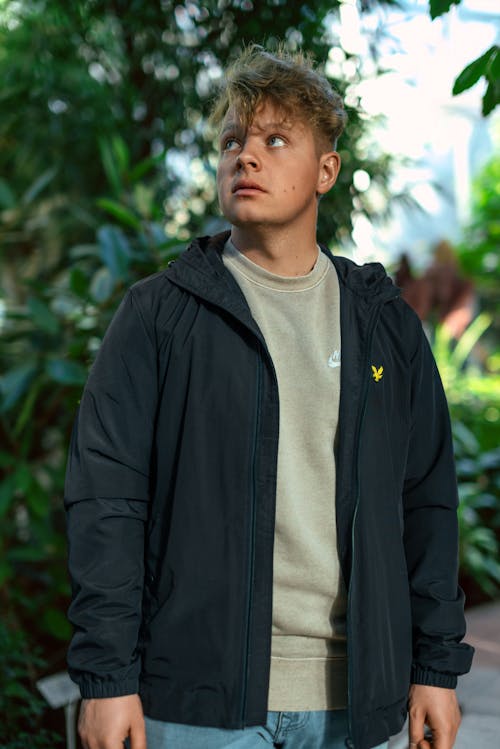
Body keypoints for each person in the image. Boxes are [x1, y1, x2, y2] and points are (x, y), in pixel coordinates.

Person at [64, 45, 474, 749]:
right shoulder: (159, 316)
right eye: (232, 141)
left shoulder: (383, 323)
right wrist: (108, 679)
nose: (245, 156)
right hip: (197, 704)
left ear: (326, 171)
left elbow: (427, 499)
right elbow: (107, 500)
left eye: (274, 140)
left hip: (358, 699)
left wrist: (436, 666)